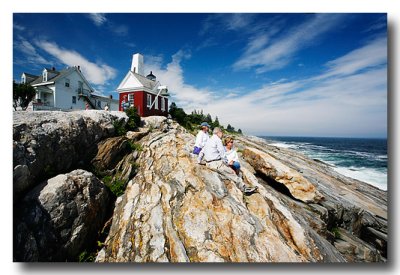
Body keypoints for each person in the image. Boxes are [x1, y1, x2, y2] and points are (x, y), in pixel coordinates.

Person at [198, 127, 257, 195]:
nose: (222, 134)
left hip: (208, 163)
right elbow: (222, 154)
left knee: (228, 172)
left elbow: (202, 152)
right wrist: (226, 164)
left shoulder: (209, 140)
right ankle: (244, 189)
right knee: (232, 173)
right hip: (216, 163)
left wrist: (199, 161)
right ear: (219, 132)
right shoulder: (217, 140)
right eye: (222, 133)